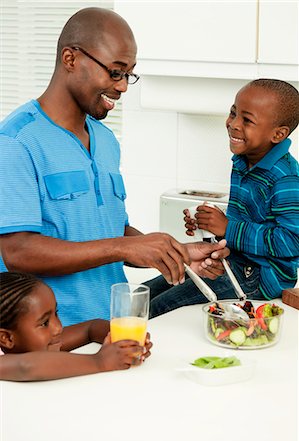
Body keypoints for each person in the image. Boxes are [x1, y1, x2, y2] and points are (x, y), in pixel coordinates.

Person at [0, 7, 229, 326]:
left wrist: (174, 252)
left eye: (128, 74)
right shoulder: (16, 142)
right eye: (115, 71)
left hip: (109, 330)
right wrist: (125, 246)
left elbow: (111, 232)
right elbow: (18, 253)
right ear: (70, 59)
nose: (122, 86)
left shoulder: (106, 142)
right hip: (49, 342)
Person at [155, 78, 299, 319]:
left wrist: (228, 228)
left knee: (157, 309)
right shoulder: (243, 161)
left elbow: (292, 241)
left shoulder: (285, 178)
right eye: (233, 113)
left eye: (247, 120)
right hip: (233, 264)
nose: (233, 124)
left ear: (278, 134)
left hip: (262, 277)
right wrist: (211, 228)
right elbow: (243, 224)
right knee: (148, 291)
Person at [0, 271, 153, 381]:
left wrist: (123, 342)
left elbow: (91, 328)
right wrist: (100, 361)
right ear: (6, 338)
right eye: (44, 323)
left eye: (56, 314)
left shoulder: (41, 344)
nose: (58, 327)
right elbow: (26, 366)